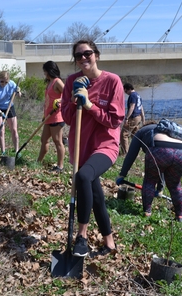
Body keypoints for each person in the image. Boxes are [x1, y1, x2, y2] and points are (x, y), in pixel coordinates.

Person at [61, 40, 125, 257]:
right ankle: (109, 243)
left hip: (105, 146)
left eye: (87, 53)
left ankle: (82, 237)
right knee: (95, 195)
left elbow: (115, 121)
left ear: (96, 55)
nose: (83, 58)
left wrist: (89, 104)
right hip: (81, 147)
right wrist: (72, 101)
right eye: (78, 56)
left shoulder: (112, 81)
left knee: (83, 176)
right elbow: (68, 119)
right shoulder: (71, 81)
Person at [116, 121, 182, 222]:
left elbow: (131, 156)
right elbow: (161, 168)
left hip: (160, 150)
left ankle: (147, 213)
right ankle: (180, 216)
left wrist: (122, 175)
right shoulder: (166, 131)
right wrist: (159, 189)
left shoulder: (141, 132)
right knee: (175, 185)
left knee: (149, 181)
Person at [37, 61, 65, 172]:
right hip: (48, 116)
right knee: (44, 139)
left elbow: (68, 95)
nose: (44, 73)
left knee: (57, 141)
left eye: (45, 71)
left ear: (49, 71)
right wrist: (44, 115)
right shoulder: (49, 82)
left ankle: (60, 166)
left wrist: (60, 101)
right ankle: (38, 162)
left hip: (57, 116)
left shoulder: (58, 82)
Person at [0, 71, 21, 156]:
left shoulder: (12, 84)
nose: (3, 84)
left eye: (6, 82)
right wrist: (2, 114)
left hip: (9, 106)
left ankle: (17, 150)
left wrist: (18, 92)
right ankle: (3, 152)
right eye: (1, 81)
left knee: (14, 129)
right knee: (1, 130)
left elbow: (18, 94)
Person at [120, 83, 145, 155]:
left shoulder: (132, 96)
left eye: (125, 91)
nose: (125, 93)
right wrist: (143, 119)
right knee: (135, 136)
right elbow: (141, 108)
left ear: (127, 89)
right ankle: (136, 152)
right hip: (138, 117)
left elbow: (132, 107)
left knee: (124, 134)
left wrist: (126, 118)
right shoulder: (138, 95)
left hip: (133, 117)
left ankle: (125, 153)